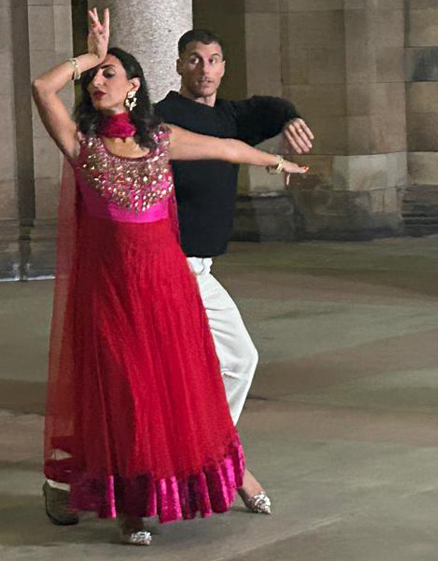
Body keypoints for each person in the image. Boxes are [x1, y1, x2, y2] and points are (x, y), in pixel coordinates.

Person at [33, 8, 308, 546]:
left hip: (167, 283)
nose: (97, 82)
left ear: (134, 86)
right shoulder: (81, 146)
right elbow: (44, 88)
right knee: (129, 394)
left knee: (190, 384)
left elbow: (227, 149)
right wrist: (90, 53)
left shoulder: (160, 138)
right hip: (112, 293)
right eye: (93, 78)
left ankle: (227, 474)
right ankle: (132, 507)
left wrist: (277, 166)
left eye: (110, 74)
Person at [155, 29, 315, 514]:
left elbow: (268, 105)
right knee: (161, 377)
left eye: (215, 60)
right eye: (196, 60)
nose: (206, 69)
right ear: (180, 65)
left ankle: (210, 450)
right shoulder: (162, 116)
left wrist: (291, 117)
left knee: (240, 360)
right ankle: (200, 463)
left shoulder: (230, 117)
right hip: (164, 265)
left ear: (224, 67)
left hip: (201, 270)